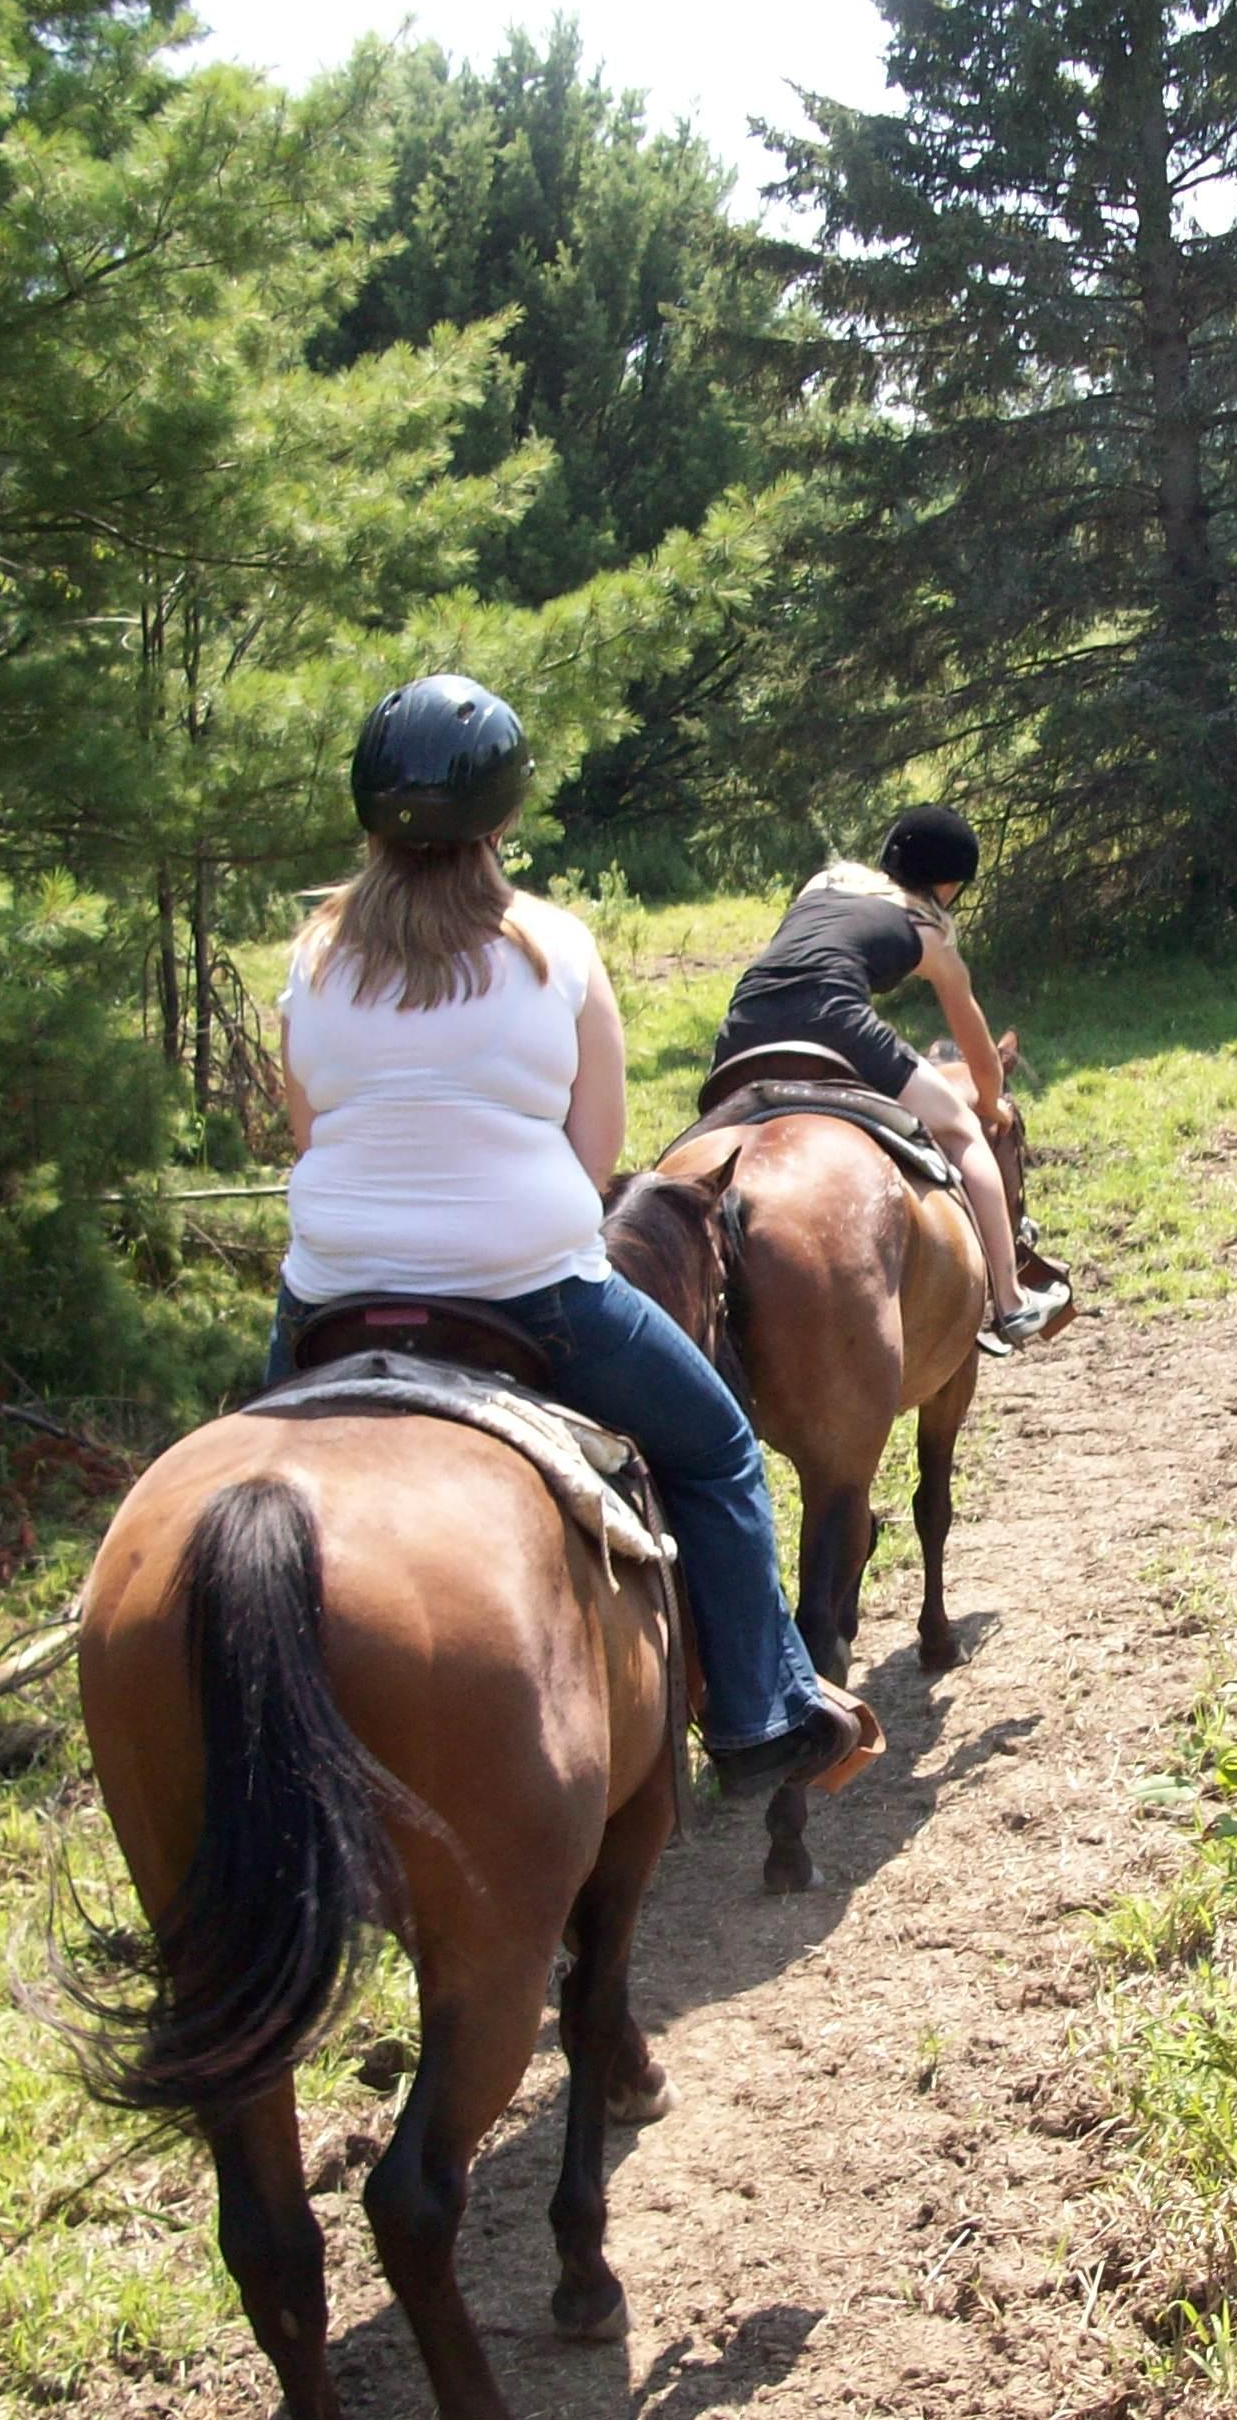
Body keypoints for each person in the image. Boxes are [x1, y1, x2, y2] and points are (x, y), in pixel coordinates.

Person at [266, 673, 863, 1791]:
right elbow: (596, 1158)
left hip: (330, 1296)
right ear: (503, 816)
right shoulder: (552, 944)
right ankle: (758, 1711)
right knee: (721, 1451)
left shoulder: (311, 960)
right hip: (530, 1289)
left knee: (245, 1471)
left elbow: (307, 1136)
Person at [710, 807, 1070, 1351]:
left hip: (742, 1027)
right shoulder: (929, 931)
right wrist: (991, 1103)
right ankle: (1012, 1299)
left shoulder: (825, 883)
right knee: (961, 1132)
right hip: (835, 1021)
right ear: (949, 886)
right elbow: (975, 1044)